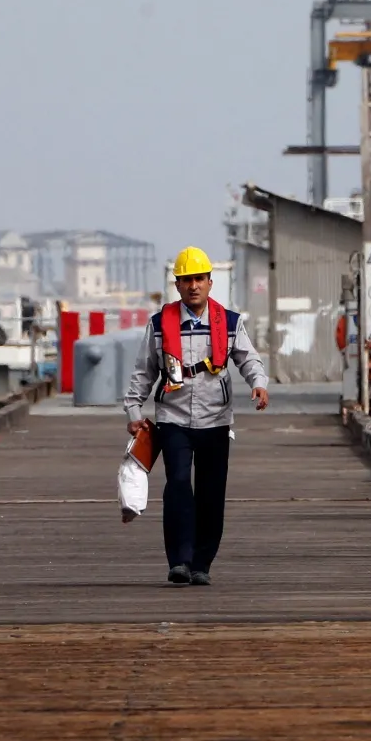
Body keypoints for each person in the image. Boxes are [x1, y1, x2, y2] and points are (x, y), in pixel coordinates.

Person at [123, 247, 269, 586]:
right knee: (177, 487)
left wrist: (259, 384)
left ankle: (202, 563)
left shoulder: (230, 322)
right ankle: (179, 561)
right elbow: (143, 372)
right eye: (186, 280)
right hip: (173, 418)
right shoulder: (159, 325)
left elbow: (249, 360)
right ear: (177, 285)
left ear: (209, 283)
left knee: (211, 492)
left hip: (215, 420)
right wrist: (134, 410)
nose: (193, 286)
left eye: (199, 279)